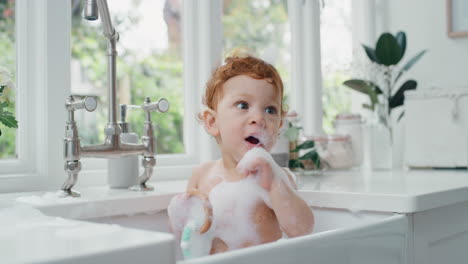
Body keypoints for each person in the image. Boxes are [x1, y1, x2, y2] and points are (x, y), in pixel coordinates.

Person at [168, 52, 314, 256]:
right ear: (212, 122)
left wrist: (274, 183)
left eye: (270, 110)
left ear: (279, 125)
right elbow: (187, 236)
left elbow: (303, 230)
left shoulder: (277, 179)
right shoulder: (201, 176)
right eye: (243, 105)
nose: (259, 118)